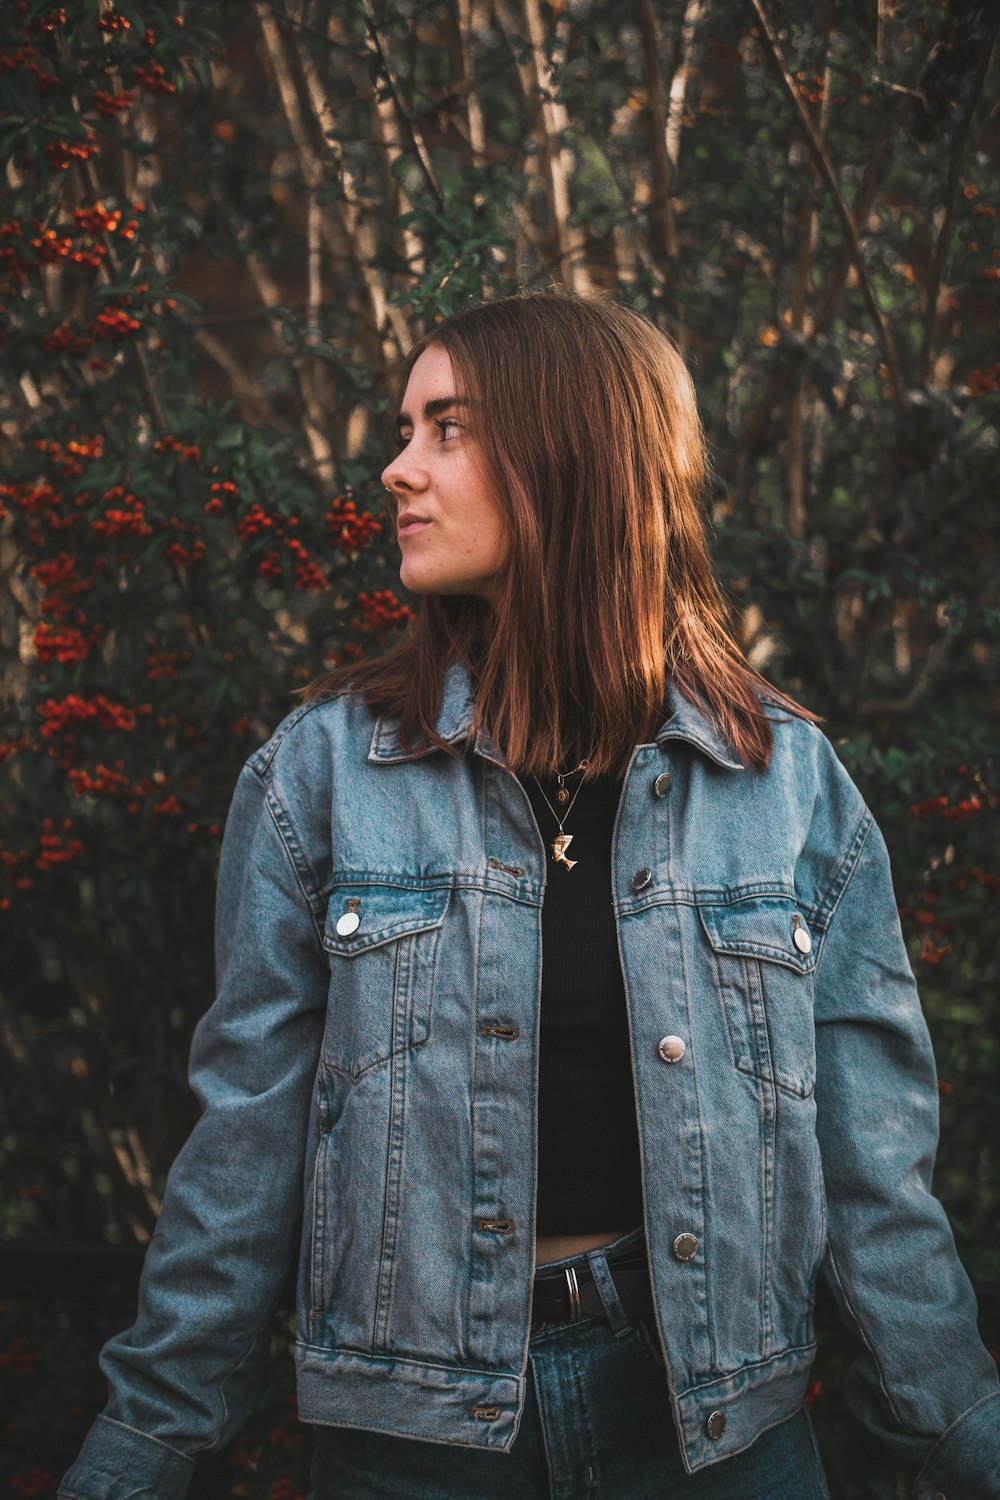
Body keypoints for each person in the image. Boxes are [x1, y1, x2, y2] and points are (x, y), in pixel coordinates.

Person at [59, 290, 999, 1500]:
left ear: (573, 455)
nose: (397, 469)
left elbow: (872, 1173)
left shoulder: (785, 783)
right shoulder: (328, 773)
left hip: (717, 1430)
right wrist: (144, 1445)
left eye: (445, 428)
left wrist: (957, 1423)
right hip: (417, 1442)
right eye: (405, 429)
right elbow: (246, 1142)